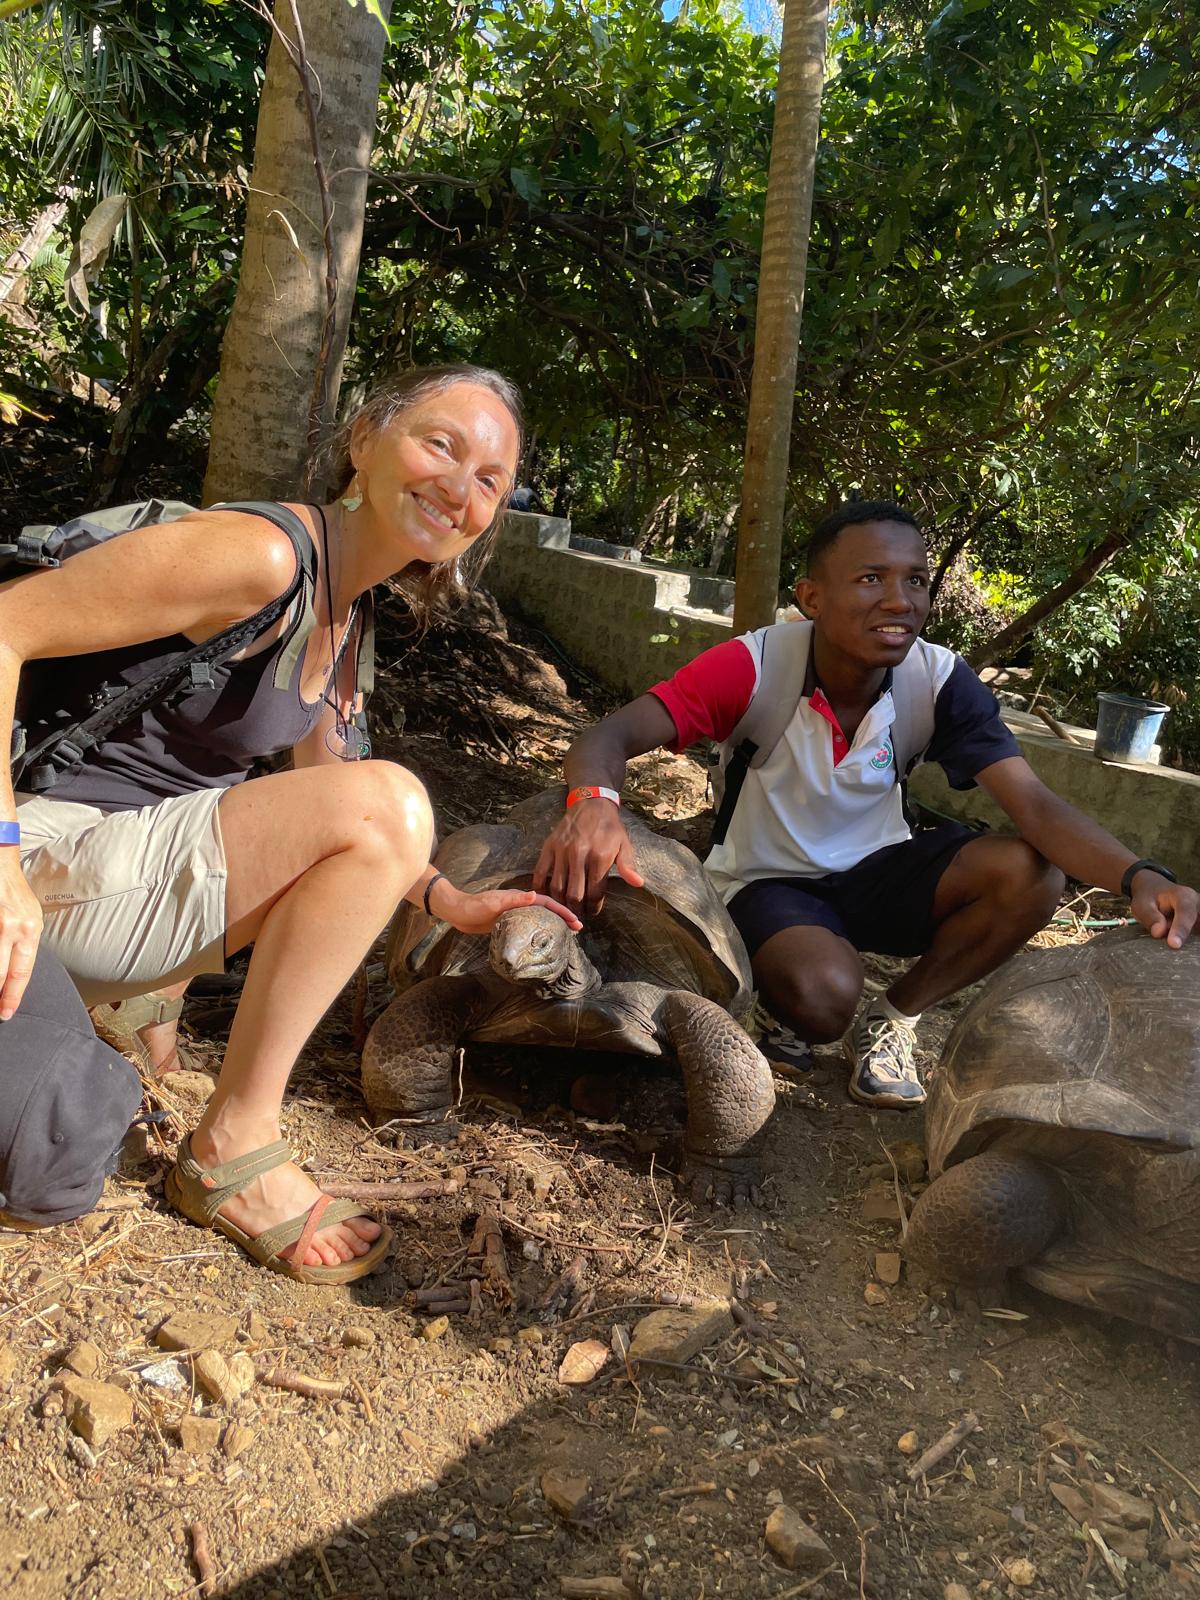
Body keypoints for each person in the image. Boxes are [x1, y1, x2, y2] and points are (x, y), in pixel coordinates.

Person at [0, 363, 579, 1281]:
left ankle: (127, 1003)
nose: (459, 487)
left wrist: (442, 899)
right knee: (393, 804)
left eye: (490, 481)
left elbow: (335, 804)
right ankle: (235, 1138)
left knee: (384, 812)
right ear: (362, 442)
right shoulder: (264, 556)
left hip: (95, 871)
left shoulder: (344, 619)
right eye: (441, 444)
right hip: (31, 854)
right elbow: (4, 627)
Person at [534, 500, 1197, 1110]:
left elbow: (1034, 806)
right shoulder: (755, 666)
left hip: (880, 869)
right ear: (812, 598)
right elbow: (610, 736)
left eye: (915, 580)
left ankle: (895, 1021)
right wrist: (594, 803)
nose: (900, 600)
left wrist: (1141, 877)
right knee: (824, 999)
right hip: (767, 881)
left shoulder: (934, 680)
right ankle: (772, 999)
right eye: (871, 579)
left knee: (1031, 872)